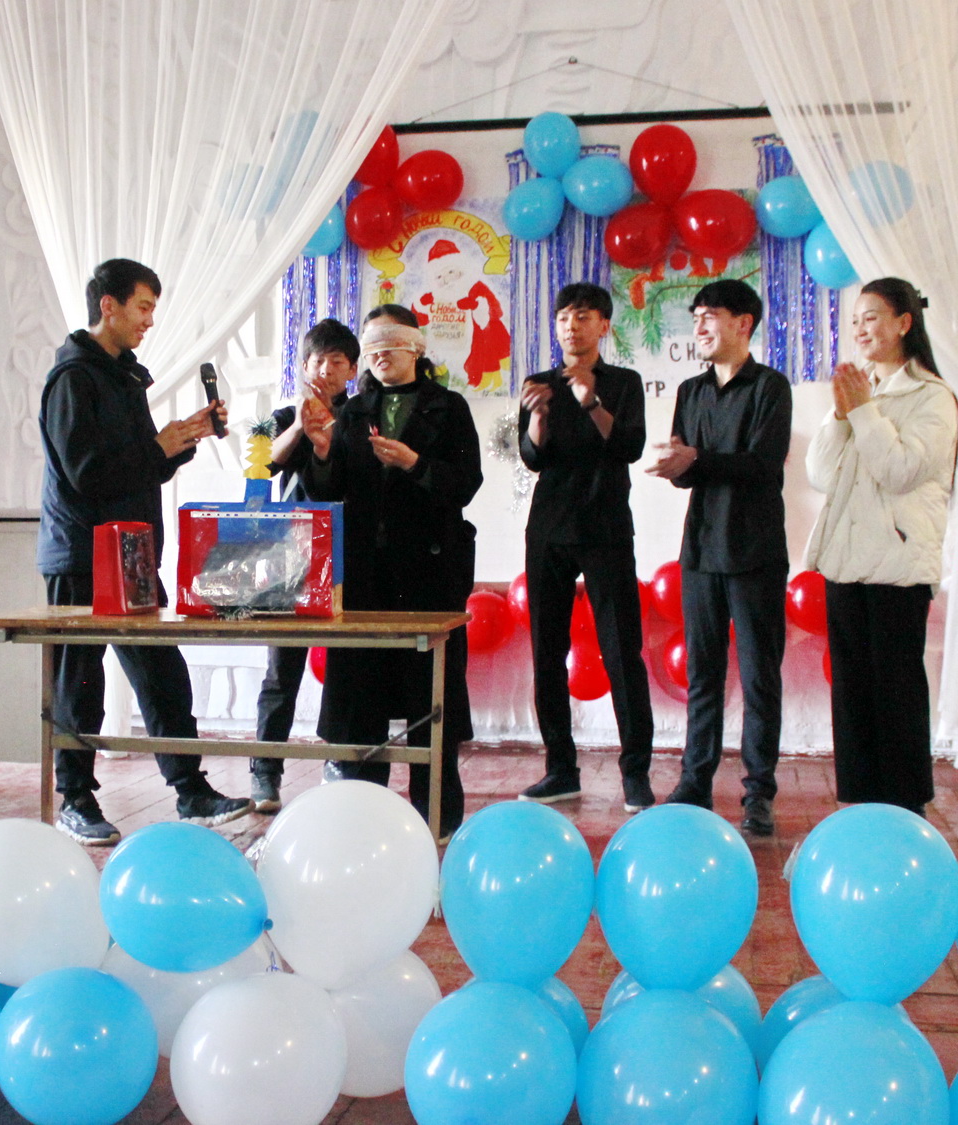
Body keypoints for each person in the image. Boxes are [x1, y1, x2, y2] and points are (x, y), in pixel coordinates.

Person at [38, 257, 252, 845]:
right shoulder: (73, 378)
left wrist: (183, 439)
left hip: (129, 553)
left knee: (162, 675)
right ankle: (75, 799)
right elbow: (87, 474)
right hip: (82, 552)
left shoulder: (124, 377)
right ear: (108, 306)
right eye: (143, 307)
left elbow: (139, 467)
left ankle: (191, 790)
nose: (149, 321)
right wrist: (158, 447)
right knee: (79, 684)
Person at [301, 307, 479, 841]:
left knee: (431, 701)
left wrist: (414, 465)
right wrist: (323, 452)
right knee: (361, 701)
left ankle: (437, 819)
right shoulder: (353, 412)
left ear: (416, 348)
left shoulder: (449, 407)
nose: (379, 354)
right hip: (365, 578)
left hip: (429, 576)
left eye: (390, 343)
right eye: (372, 346)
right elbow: (327, 492)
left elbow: (466, 483)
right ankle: (362, 820)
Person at [804, 278, 958, 816]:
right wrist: (841, 415)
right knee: (851, 692)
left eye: (871, 317)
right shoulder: (860, 389)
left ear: (904, 324)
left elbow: (899, 470)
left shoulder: (932, 396)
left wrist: (865, 412)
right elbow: (821, 473)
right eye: (855, 320)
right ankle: (859, 805)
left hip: (898, 565)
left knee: (896, 691)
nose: (861, 329)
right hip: (847, 562)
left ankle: (905, 808)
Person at [646, 279, 791, 836]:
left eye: (710, 316)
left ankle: (759, 794)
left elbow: (763, 465)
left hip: (755, 552)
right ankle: (694, 781)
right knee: (702, 675)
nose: (700, 327)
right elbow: (690, 474)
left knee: (759, 679)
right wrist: (676, 466)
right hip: (702, 550)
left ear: (743, 323)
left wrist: (695, 460)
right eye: (696, 318)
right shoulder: (690, 391)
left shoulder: (770, 387)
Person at [516, 283, 656, 812]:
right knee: (546, 653)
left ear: (604, 325)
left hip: (605, 528)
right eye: (563, 319)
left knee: (621, 652)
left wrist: (589, 400)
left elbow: (628, 446)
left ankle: (635, 774)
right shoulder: (539, 384)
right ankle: (560, 769)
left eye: (581, 317)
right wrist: (538, 417)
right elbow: (532, 458)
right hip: (548, 529)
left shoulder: (623, 382)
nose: (570, 327)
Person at [247, 317, 360, 812]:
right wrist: (298, 424)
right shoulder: (277, 415)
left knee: (345, 665)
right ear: (303, 366)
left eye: (337, 361)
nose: (326, 369)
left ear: (352, 370)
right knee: (282, 668)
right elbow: (258, 466)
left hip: (347, 552)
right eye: (317, 360)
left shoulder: (361, 415)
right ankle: (265, 769)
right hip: (287, 556)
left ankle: (338, 758)